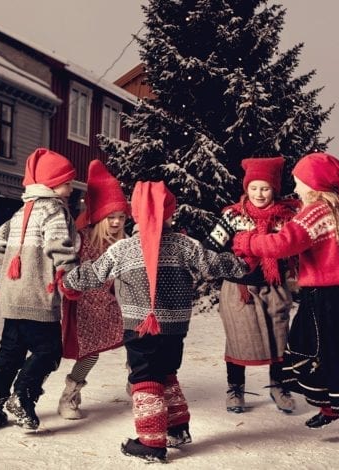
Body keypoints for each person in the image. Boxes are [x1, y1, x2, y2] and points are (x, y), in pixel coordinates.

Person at [63, 181, 251, 463]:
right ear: (170, 213)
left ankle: (151, 442)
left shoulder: (123, 249)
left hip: (140, 326)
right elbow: (214, 265)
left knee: (145, 378)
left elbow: (94, 273)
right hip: (175, 328)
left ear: (136, 213)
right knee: (166, 373)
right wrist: (245, 264)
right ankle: (177, 429)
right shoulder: (186, 245)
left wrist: (68, 281)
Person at [233, 152, 339, 448]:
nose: (295, 188)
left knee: (338, 357)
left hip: (328, 298)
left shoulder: (315, 211)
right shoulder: (337, 208)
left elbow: (282, 244)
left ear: (314, 184)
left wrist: (247, 241)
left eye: (299, 182)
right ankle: (330, 405)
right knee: (325, 352)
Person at [0, 148, 79, 430]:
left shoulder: (21, 211)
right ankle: (23, 396)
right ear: (52, 184)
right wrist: (69, 277)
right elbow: (59, 246)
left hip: (12, 295)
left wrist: (10, 271)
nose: (71, 188)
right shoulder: (54, 210)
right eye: (67, 182)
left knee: (10, 351)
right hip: (38, 295)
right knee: (49, 350)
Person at [206, 157, 300, 414]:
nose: (259, 194)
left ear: (274, 189)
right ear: (246, 188)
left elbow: (294, 249)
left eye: (265, 188)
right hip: (241, 290)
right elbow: (212, 247)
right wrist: (226, 264)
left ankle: (279, 386)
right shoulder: (234, 216)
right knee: (239, 339)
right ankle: (235, 388)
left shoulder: (285, 218)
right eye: (254, 188)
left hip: (274, 287)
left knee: (280, 340)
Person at [57, 160, 130, 419]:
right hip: (85, 305)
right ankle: (69, 395)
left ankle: (139, 383)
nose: (116, 222)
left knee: (139, 341)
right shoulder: (82, 238)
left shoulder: (125, 242)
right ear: (100, 216)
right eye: (111, 217)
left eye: (121, 217)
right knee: (90, 355)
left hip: (114, 304)